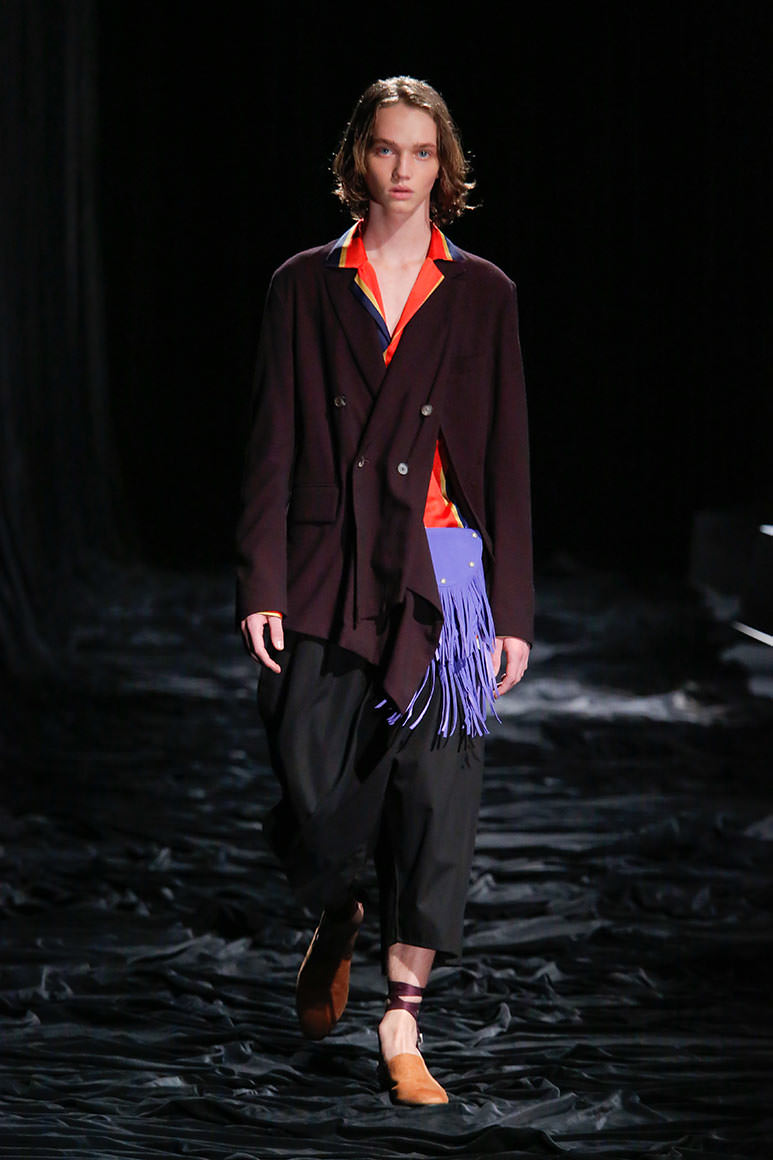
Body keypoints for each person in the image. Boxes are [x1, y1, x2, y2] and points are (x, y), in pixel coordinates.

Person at [236, 76, 533, 1105]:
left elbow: (503, 456)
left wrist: (511, 607)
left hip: (446, 574)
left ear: (442, 165)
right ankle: (340, 904)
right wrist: (261, 578)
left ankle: (401, 1021)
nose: (402, 170)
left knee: (436, 798)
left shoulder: (481, 293)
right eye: (384, 149)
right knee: (315, 790)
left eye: (420, 151)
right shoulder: (303, 285)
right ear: (356, 158)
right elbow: (272, 440)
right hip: (326, 563)